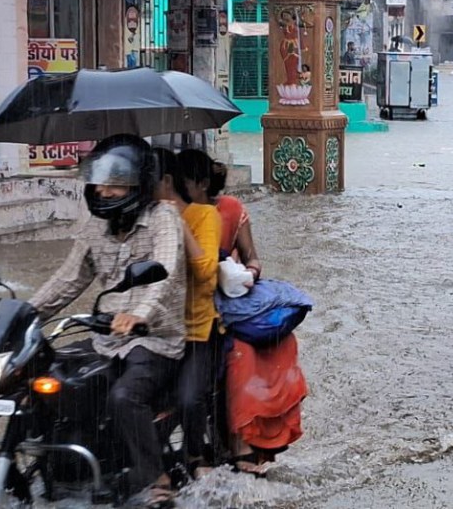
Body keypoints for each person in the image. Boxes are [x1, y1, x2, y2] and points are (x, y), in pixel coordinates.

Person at [28, 134, 186, 508]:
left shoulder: (163, 218)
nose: (104, 190)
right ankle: (53, 465)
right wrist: (24, 315)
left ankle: (157, 480)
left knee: (124, 396)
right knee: (44, 379)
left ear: (140, 184)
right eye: (100, 180)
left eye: (116, 183)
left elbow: (164, 272)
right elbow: (68, 279)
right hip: (104, 337)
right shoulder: (96, 227)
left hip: (154, 337)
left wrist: (138, 315)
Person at [190, 158, 307, 477]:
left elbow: (253, 256)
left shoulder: (228, 209)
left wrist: (246, 274)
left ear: (199, 185)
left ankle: (243, 444)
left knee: (241, 365)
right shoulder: (170, 214)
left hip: (230, 309)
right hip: (187, 309)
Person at [155, 148, 223, 480]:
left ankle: (197, 457)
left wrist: (177, 224)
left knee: (188, 398)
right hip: (153, 330)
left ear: (166, 182)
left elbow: (207, 271)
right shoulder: (142, 220)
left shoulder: (204, 216)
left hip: (196, 330)